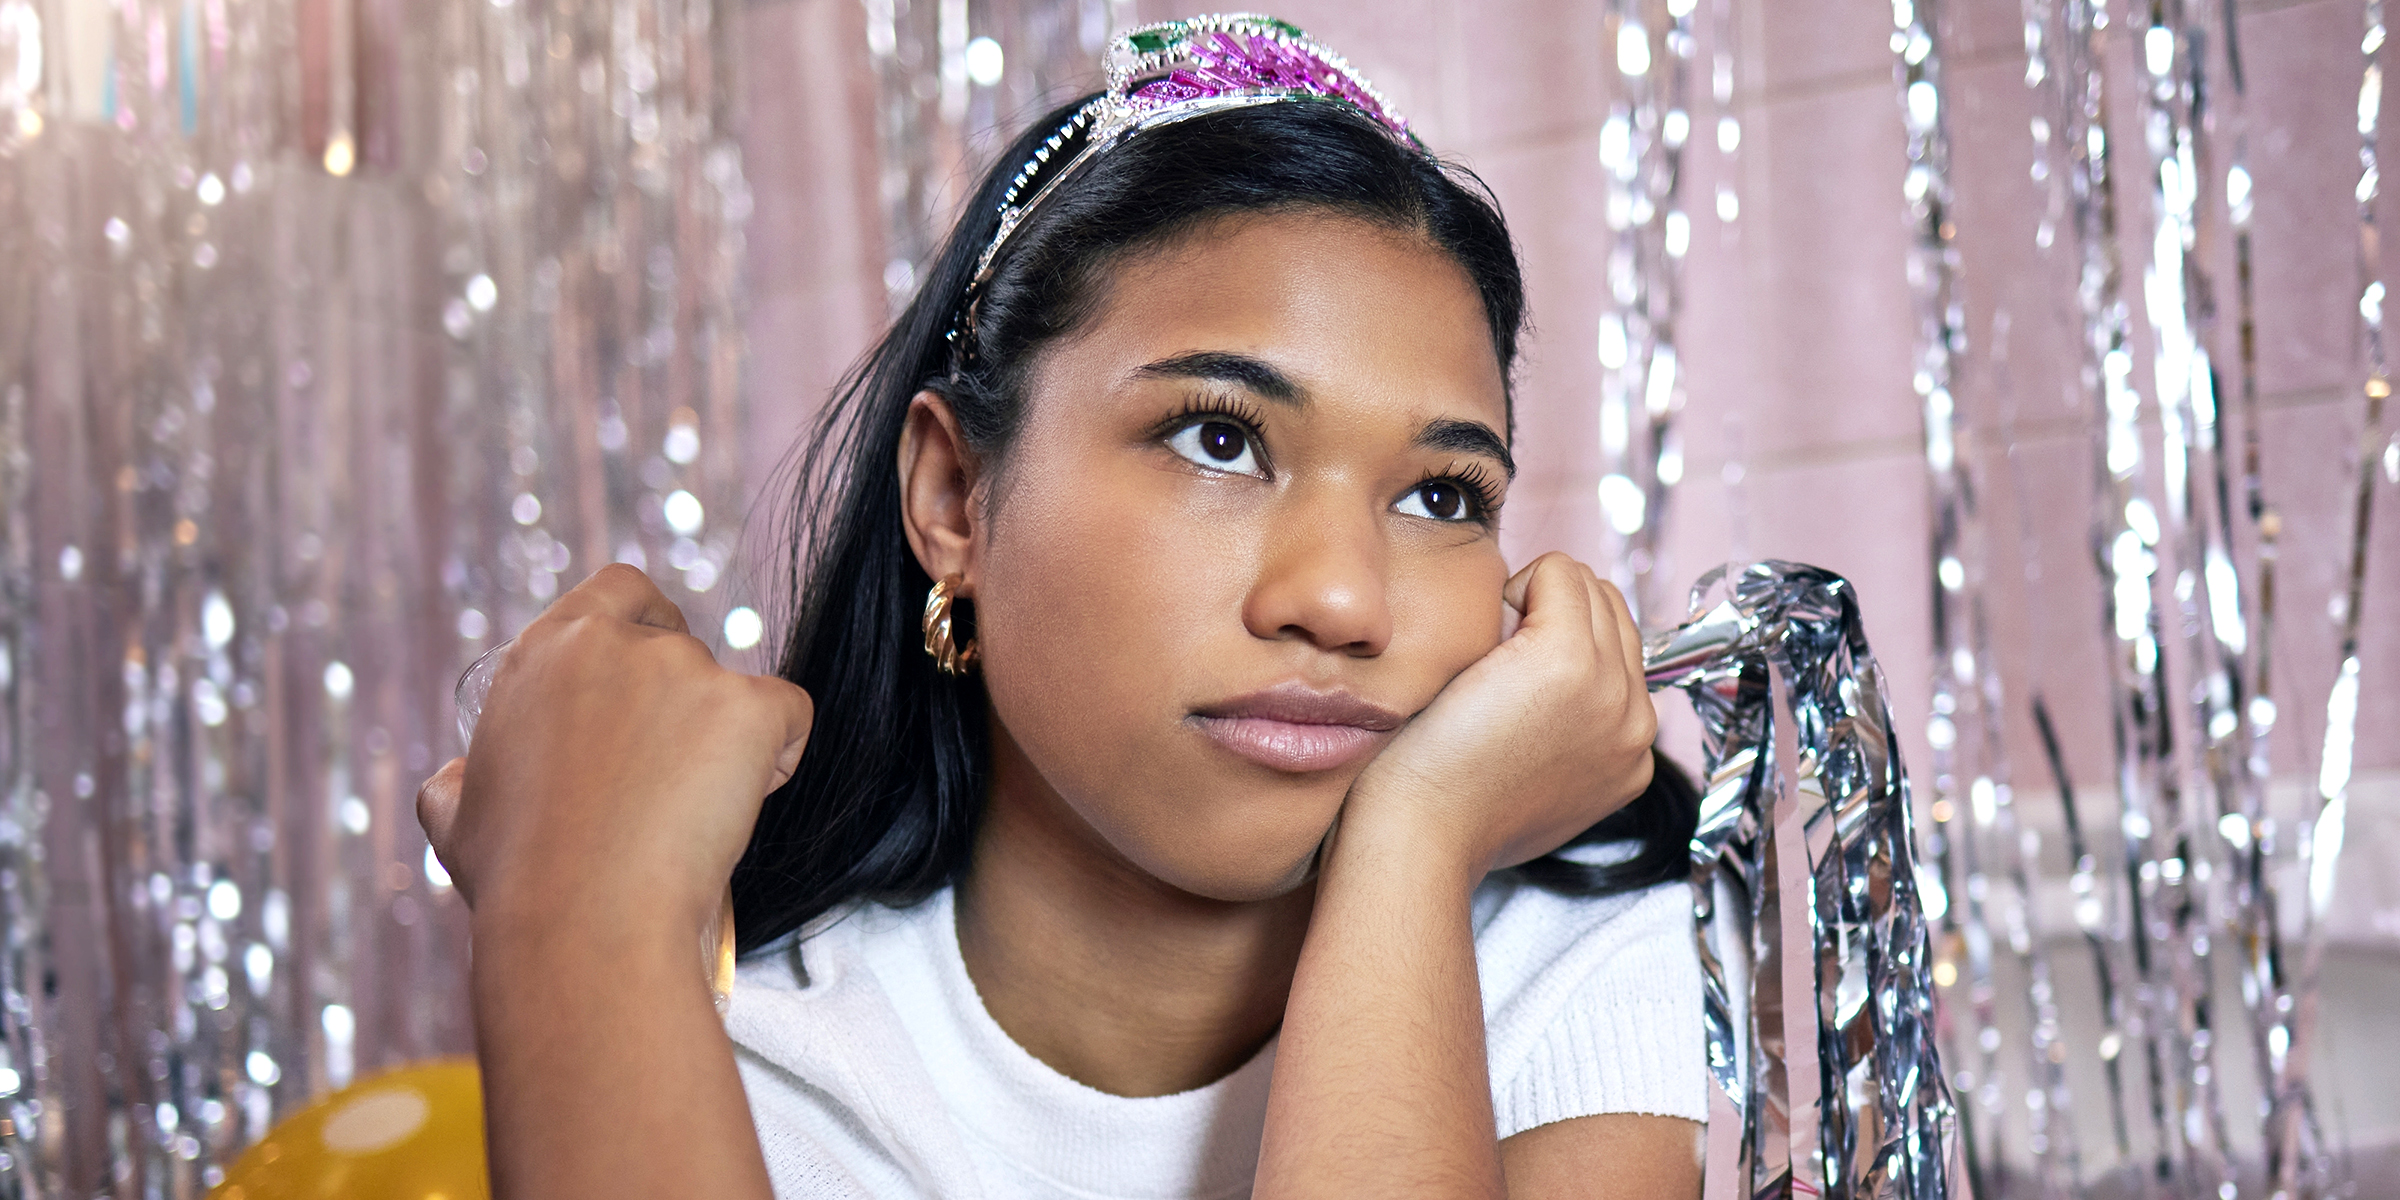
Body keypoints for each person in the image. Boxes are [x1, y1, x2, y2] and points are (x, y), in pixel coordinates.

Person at [416, 15, 1707, 1198]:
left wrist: (1417, 844)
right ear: (956, 498)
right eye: (1217, 437)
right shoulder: (738, 1049)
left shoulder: (1579, 962)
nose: (1341, 599)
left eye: (1440, 495)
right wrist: (582, 910)